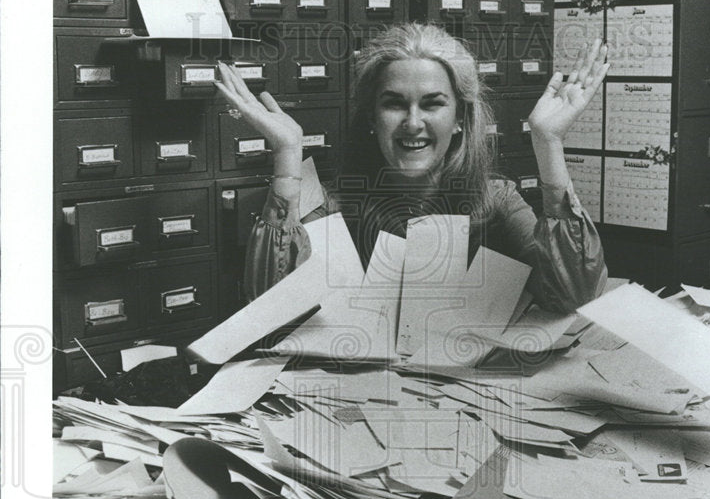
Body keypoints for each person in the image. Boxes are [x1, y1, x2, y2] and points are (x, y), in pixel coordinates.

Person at [215, 23, 609, 314]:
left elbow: (574, 298)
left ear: (459, 118)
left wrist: (548, 143)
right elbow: (269, 312)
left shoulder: (494, 199)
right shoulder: (337, 203)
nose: (413, 122)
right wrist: (287, 158)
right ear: (372, 116)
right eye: (394, 103)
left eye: (433, 103)